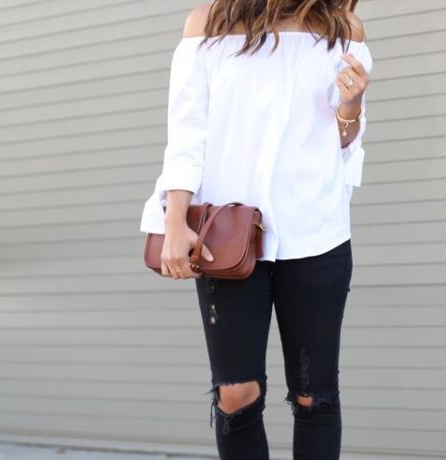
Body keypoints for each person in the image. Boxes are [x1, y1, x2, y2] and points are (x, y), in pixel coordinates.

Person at [139, 1, 373, 458]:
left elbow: (344, 142)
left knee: (314, 396)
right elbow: (187, 134)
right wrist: (174, 220)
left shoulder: (342, 28)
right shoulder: (209, 23)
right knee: (235, 395)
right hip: (227, 237)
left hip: (316, 232)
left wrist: (352, 105)